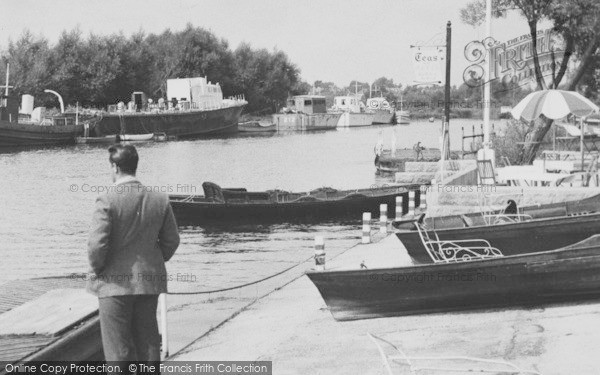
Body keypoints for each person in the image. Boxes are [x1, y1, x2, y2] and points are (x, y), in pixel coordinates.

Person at [87, 144, 180, 365]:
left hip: (114, 285)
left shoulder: (107, 199)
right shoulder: (159, 199)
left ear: (114, 167)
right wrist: (153, 261)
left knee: (118, 351)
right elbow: (172, 240)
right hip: (149, 281)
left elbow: (96, 246)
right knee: (148, 344)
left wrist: (100, 270)